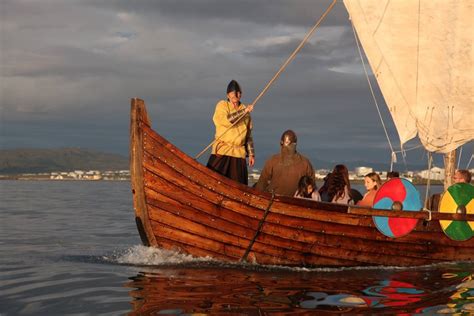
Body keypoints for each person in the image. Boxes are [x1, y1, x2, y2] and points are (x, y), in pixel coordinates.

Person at [207, 80, 255, 185]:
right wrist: (244, 111)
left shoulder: (245, 110)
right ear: (228, 95)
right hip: (222, 151)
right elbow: (228, 121)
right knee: (211, 181)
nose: (235, 95)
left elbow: (248, 134)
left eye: (238, 92)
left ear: (241, 94)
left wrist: (251, 154)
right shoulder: (222, 105)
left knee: (238, 187)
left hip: (238, 153)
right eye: (232, 93)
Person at [255, 130, 315, 196]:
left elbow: (261, 184)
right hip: (297, 201)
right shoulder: (305, 162)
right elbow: (312, 185)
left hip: (274, 200)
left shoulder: (273, 160)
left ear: (281, 143)